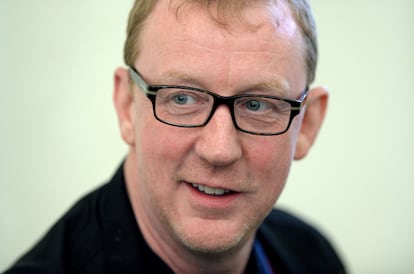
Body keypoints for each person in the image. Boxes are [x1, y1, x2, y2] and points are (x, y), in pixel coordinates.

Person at [4, 0, 346, 273]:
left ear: (307, 123)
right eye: (182, 98)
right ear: (127, 106)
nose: (219, 150)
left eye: (257, 104)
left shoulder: (313, 257)